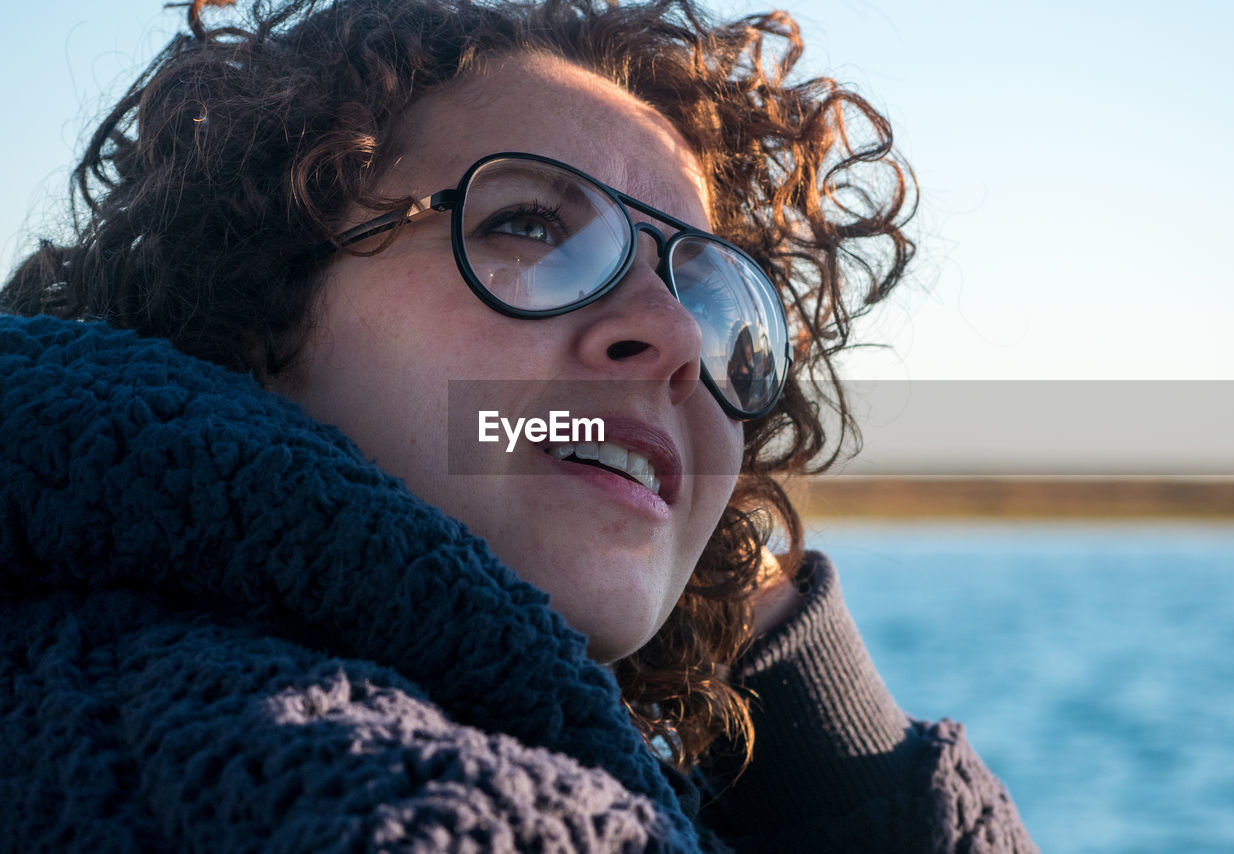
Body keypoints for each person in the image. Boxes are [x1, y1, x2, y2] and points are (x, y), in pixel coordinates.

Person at [0, 0, 1037, 850]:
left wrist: (737, 598)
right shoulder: (379, 795)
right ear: (254, 305)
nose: (675, 336)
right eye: (528, 226)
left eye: (720, 302)